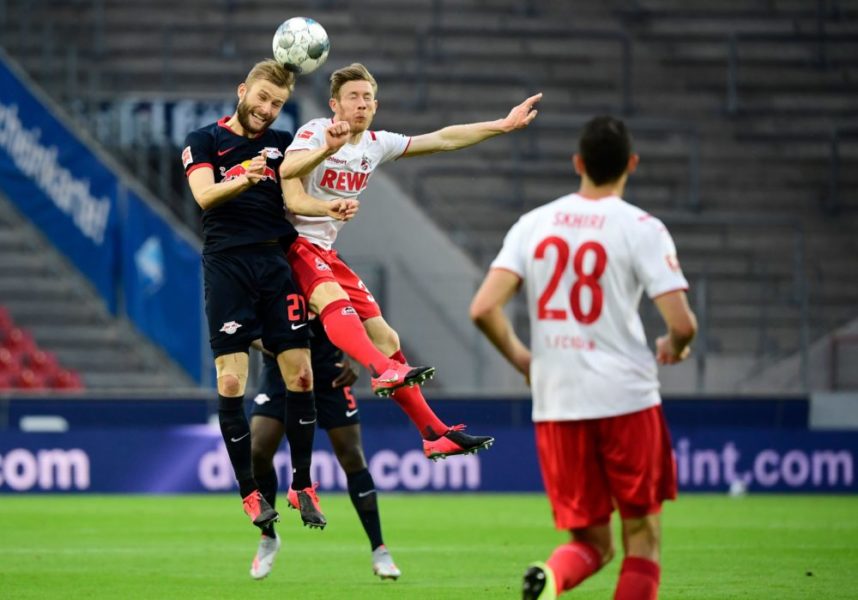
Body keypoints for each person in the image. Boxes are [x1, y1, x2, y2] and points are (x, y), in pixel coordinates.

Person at [469, 116, 697, 600]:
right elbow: (682, 324)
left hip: (559, 402)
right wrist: (673, 347)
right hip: (626, 400)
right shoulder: (641, 227)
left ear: (578, 164)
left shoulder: (534, 223)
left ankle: (551, 578)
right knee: (642, 538)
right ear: (631, 164)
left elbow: (484, 307)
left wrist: (526, 362)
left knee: (591, 541)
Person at [278, 62, 542, 459]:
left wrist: (500, 126)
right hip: (292, 244)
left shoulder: (374, 144)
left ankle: (434, 433)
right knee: (337, 305)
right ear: (335, 105)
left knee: (388, 338)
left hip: (327, 252)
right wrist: (325, 164)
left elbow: (441, 139)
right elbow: (289, 180)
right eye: (353, 97)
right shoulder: (315, 132)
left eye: (368, 98)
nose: (361, 104)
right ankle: (381, 369)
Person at [182, 59, 358, 532]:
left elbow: (297, 195)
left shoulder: (284, 144)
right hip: (227, 265)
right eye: (262, 98)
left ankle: (303, 484)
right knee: (233, 382)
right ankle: (251, 494)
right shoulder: (204, 140)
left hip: (275, 264)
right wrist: (244, 175)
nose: (267, 109)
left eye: (277, 104)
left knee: (301, 376)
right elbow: (203, 196)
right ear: (243, 91)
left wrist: (328, 188)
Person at [247, 317, 401, 581]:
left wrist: (356, 356)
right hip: (281, 369)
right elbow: (244, 322)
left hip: (329, 369)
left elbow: (356, 313)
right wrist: (278, 346)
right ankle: (268, 536)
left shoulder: (326, 275)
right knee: (258, 450)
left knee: (352, 455)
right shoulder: (267, 276)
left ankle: (380, 549)